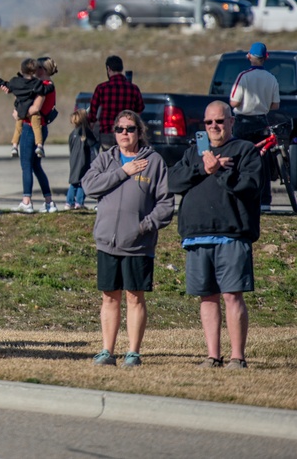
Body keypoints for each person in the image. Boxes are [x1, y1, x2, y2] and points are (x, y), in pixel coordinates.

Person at [168, 100, 261, 369]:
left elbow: (251, 187)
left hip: (232, 234)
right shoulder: (193, 153)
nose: (214, 126)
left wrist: (221, 171)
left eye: (220, 121)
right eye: (209, 122)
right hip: (197, 236)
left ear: (232, 122)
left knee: (232, 295)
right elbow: (172, 181)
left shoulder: (245, 151)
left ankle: (237, 357)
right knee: (207, 297)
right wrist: (203, 168)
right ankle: (212, 356)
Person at [81, 110, 174, 367]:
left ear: (139, 132)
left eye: (130, 129)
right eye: (120, 129)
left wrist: (144, 226)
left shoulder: (154, 161)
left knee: (134, 296)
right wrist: (123, 171)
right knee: (110, 296)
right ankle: (107, 351)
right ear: (114, 132)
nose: (125, 133)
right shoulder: (106, 159)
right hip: (107, 241)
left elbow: (165, 204)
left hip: (138, 243)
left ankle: (133, 352)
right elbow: (89, 186)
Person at [229, 42, 280, 211]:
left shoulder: (243, 76)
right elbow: (275, 105)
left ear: (249, 56)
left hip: (243, 122)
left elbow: (234, 101)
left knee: (239, 159)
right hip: (261, 121)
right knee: (262, 161)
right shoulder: (271, 78)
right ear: (266, 57)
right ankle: (264, 199)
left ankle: (239, 195)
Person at [14, 58, 59, 213]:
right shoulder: (50, 86)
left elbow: (35, 108)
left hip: (30, 128)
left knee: (26, 165)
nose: (34, 71)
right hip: (42, 127)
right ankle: (49, 201)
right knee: (36, 166)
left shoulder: (43, 86)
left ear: (43, 70)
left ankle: (26, 201)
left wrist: (19, 113)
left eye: (38, 68)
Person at [0, 57, 51, 158]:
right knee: (37, 127)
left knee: (18, 129)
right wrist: (51, 85)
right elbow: (45, 90)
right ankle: (39, 146)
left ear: (22, 70)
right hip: (32, 110)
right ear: (34, 71)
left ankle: (14, 146)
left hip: (19, 110)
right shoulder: (36, 83)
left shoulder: (15, 81)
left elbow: (6, 85)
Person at [87, 55, 145, 150]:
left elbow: (92, 114)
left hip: (107, 132)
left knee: (109, 160)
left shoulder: (101, 88)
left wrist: (91, 128)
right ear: (121, 69)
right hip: (126, 133)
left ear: (108, 69)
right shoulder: (133, 88)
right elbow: (139, 110)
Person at [66, 108, 98, 210]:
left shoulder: (72, 133)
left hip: (74, 161)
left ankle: (69, 202)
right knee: (83, 181)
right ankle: (78, 202)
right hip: (84, 160)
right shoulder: (86, 132)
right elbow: (93, 143)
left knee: (74, 182)